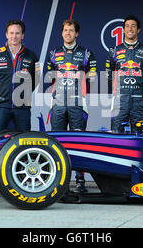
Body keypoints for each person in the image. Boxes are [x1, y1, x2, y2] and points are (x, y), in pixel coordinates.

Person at [45, 19, 97, 192]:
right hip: (58, 104)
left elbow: (93, 78)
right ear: (62, 33)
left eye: (71, 30)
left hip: (78, 104)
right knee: (57, 143)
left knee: (79, 142)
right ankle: (59, 182)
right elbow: (49, 77)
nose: (68, 33)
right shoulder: (54, 53)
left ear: (77, 33)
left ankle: (80, 181)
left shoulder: (86, 54)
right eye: (65, 30)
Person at [0, 20, 40, 136]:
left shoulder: (32, 56)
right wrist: (0, 92)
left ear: (22, 35)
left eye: (17, 33)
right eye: (11, 33)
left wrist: (23, 94)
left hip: (22, 106)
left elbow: (37, 78)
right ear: (6, 34)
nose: (14, 36)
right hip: (1, 104)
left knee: (24, 138)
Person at [106, 15, 143, 133]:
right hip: (119, 100)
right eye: (127, 26)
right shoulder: (114, 51)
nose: (130, 29)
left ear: (138, 30)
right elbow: (108, 75)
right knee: (116, 133)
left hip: (139, 100)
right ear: (123, 29)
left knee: (141, 134)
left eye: (133, 26)